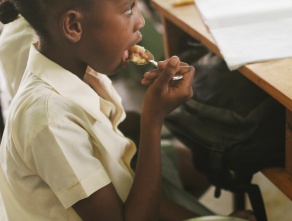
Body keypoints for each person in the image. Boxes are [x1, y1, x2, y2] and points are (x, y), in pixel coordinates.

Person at [0, 0, 256, 221]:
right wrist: (153, 119)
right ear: (74, 26)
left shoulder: (84, 71)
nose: (141, 21)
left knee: (191, 165)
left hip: (127, 204)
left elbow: (125, 184)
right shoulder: (49, 120)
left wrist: (205, 218)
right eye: (128, 8)